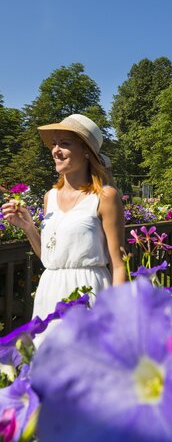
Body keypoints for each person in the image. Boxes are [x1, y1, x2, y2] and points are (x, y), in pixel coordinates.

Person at [2, 114, 125, 322]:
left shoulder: (105, 196)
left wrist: (118, 314)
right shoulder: (50, 197)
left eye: (64, 143)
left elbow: (119, 264)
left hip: (91, 292)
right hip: (50, 293)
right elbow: (51, 258)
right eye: (54, 143)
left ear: (86, 151)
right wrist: (29, 228)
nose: (55, 150)